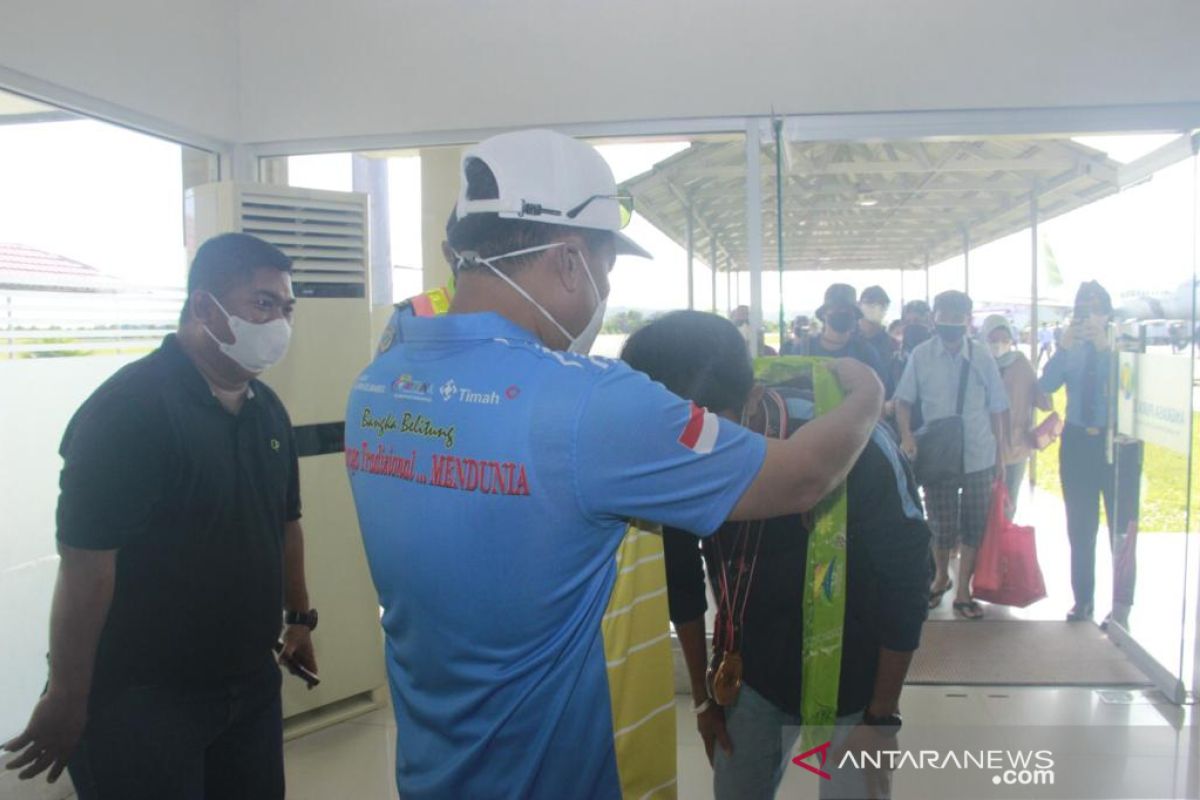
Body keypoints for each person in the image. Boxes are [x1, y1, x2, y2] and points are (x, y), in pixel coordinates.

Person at [343, 129, 884, 799]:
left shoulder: (377, 383)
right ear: (570, 261)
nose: (603, 286)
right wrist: (869, 394)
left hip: (431, 770)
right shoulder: (588, 402)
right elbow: (802, 475)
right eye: (605, 266)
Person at [3, 233, 317, 799]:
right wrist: (68, 697)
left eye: (286, 308)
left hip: (248, 687)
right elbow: (84, 570)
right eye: (263, 304)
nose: (279, 323)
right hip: (141, 699)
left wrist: (299, 619)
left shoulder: (266, 410)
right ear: (204, 308)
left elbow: (286, 523)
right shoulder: (128, 413)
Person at [621, 310, 930, 800]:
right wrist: (705, 700)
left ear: (752, 402)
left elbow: (907, 580)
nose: (689, 453)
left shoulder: (858, 446)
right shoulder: (671, 455)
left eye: (704, 430)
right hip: (750, 675)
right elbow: (679, 577)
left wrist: (882, 716)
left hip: (855, 676)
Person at [895, 290, 1008, 621]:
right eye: (945, 322)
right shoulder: (921, 355)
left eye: (957, 323)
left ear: (968, 322)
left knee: (974, 523)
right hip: (939, 454)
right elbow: (903, 400)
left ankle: (964, 592)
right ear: (934, 320)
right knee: (940, 522)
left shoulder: (982, 357)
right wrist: (906, 436)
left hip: (978, 453)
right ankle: (941, 576)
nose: (951, 329)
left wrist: (1000, 454)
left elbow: (998, 407)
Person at [1039, 281, 1139, 624]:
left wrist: (1106, 350)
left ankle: (1122, 606)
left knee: (1121, 529)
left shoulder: (1124, 344)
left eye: (1096, 310)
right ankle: (1083, 600)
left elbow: (1133, 388)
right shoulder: (1071, 346)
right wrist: (1063, 349)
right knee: (1080, 527)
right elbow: (1045, 386)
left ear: (1108, 313)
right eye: (1083, 310)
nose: (1089, 317)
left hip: (1118, 444)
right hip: (1078, 442)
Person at [982, 315, 1051, 517]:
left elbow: (1041, 398)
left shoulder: (1021, 363)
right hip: (984, 446)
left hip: (1016, 445)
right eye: (993, 340)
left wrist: (1046, 390)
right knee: (982, 505)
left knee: (1008, 502)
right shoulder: (979, 362)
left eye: (1005, 340)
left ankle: (1003, 545)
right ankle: (984, 547)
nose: (999, 345)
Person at [794, 283, 890, 390]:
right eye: (836, 308)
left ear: (855, 315)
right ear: (824, 314)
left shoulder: (865, 352)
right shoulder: (804, 349)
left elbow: (881, 390)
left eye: (847, 309)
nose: (842, 312)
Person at [858, 285, 897, 365]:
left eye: (881, 304)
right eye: (870, 302)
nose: (875, 307)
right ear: (859, 305)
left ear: (886, 308)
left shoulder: (893, 345)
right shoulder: (847, 338)